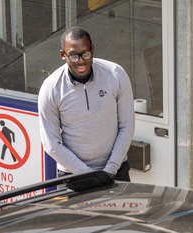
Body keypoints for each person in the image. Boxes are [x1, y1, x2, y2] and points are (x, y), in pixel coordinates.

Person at [38, 26, 135, 181]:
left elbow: (127, 125)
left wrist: (110, 170)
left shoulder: (116, 74)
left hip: (116, 171)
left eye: (85, 54)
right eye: (74, 56)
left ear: (92, 50)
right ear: (63, 55)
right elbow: (52, 144)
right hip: (73, 175)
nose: (81, 61)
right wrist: (89, 175)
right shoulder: (51, 88)